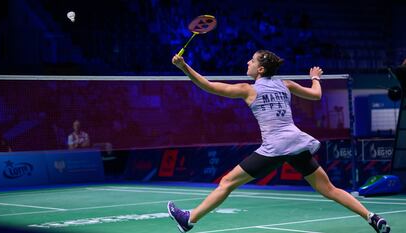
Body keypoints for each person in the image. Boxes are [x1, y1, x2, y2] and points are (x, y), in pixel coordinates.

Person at [167, 50, 390, 233]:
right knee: (329, 189)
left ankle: (189, 220)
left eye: (252, 60)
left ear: (260, 69)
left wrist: (184, 67)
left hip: (275, 147)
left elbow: (209, 86)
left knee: (227, 182)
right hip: (296, 141)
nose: (248, 62)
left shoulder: (248, 89)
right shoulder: (286, 84)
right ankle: (371, 217)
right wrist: (315, 78)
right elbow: (316, 95)